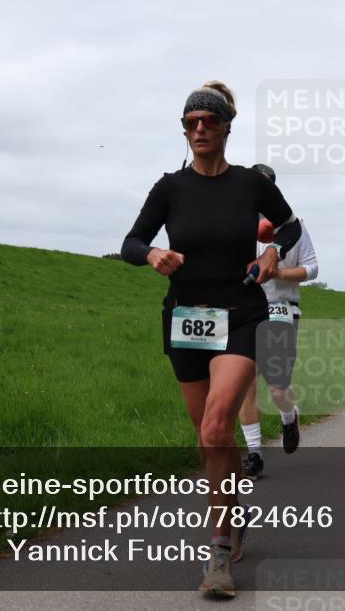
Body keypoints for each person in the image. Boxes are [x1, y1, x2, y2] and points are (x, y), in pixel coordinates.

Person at [121, 81, 302, 598]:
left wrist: (270, 256)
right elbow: (131, 241)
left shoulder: (249, 184)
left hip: (242, 312)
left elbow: (289, 226)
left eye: (208, 121)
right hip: (185, 318)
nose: (198, 129)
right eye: (190, 123)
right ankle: (234, 513)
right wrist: (152, 254)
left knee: (219, 421)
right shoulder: (169, 188)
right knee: (208, 438)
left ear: (226, 127)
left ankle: (219, 550)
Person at [239, 164, 319, 479]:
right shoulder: (238, 223)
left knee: (276, 386)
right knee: (244, 384)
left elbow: (312, 268)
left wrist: (280, 272)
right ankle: (254, 455)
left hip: (282, 308)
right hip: (245, 309)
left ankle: (289, 418)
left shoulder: (294, 226)